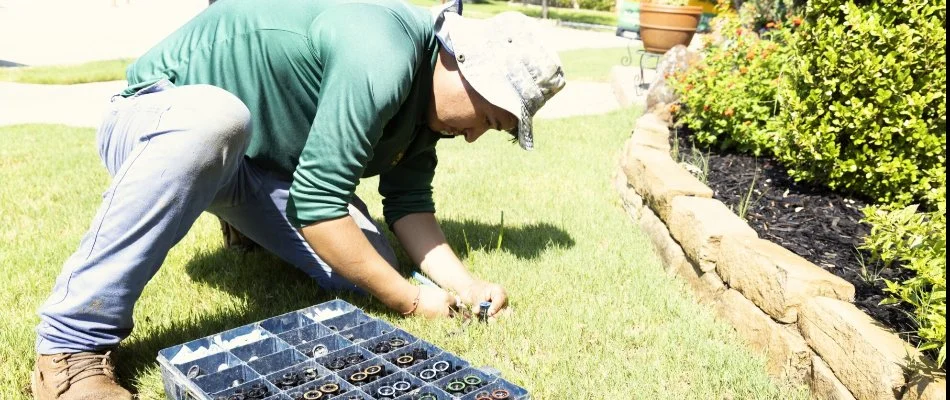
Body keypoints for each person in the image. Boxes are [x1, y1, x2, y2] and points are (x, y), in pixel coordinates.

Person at [31, 0, 565, 398]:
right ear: (467, 69)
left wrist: (464, 285)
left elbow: (410, 206)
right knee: (217, 122)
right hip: (157, 116)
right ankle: (68, 345)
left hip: (250, 161)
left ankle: (229, 207)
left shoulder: (429, 116)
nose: (474, 136)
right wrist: (408, 300)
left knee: (370, 262)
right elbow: (318, 207)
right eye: (488, 121)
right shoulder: (383, 54)